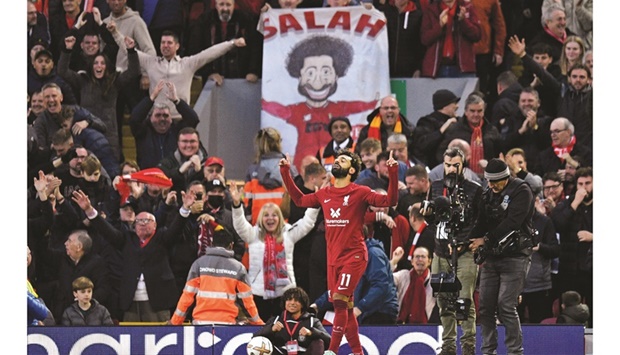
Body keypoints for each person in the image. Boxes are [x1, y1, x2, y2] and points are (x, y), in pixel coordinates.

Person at [279, 150, 399, 355]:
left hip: (354, 255)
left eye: (342, 160)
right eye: (336, 159)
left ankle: (332, 351)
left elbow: (390, 200)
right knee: (346, 307)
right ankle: (358, 352)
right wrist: (285, 171)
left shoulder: (360, 192)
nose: (337, 161)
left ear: (351, 170)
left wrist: (393, 171)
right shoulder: (325, 193)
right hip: (332, 258)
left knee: (340, 302)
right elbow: (299, 200)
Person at [71, 188, 195, 322]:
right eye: (139, 221)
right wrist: (89, 210)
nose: (142, 223)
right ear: (134, 226)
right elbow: (107, 230)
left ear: (155, 225)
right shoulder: (126, 239)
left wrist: (185, 209)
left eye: (147, 221)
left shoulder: (162, 238)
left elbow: (176, 228)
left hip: (158, 302)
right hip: (130, 302)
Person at [261, 35, 378, 168]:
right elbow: (278, 110)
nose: (318, 81)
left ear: (337, 76)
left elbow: (360, 106)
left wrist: (375, 102)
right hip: (303, 170)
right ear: (299, 76)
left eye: (326, 72)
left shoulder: (339, 108)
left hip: (330, 168)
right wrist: (264, 102)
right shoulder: (297, 110)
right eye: (310, 73)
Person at [469, 159, 535, 355]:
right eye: (488, 181)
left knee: (506, 305)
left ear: (506, 178)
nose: (491, 186)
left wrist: (485, 239)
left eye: (495, 182)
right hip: (491, 257)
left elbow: (513, 223)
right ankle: (488, 351)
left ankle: (515, 352)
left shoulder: (522, 191)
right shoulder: (488, 193)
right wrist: (468, 239)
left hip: (515, 256)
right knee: (486, 308)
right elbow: (480, 221)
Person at [422, 147, 481, 355]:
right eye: (448, 165)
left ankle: (468, 348)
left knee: (464, 301)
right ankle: (447, 347)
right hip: (440, 252)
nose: (451, 169)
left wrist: (463, 243)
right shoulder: (436, 186)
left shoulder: (475, 189)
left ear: (463, 165)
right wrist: (427, 215)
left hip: (464, 252)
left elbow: (479, 222)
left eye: (455, 165)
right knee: (444, 302)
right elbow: (431, 221)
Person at [231, 183, 319, 322]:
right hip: (258, 294)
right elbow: (240, 224)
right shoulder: (253, 235)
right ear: (261, 218)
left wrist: (315, 202)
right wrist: (237, 205)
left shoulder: (289, 234)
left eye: (274, 215)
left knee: (284, 331)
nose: (270, 218)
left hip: (285, 294)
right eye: (266, 215)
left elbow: (307, 222)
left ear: (280, 218)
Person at [58, 34, 140, 160]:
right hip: (87, 133)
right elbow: (63, 71)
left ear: (106, 66)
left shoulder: (114, 82)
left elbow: (134, 72)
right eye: (96, 63)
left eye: (102, 63)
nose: (99, 66)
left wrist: (131, 51)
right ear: (92, 67)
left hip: (109, 134)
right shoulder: (82, 81)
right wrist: (67, 50)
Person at [136, 30, 246, 118]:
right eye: (163, 42)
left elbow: (209, 53)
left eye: (169, 43)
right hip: (157, 119)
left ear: (177, 46)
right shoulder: (151, 63)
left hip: (180, 118)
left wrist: (232, 43)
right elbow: (130, 51)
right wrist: (117, 35)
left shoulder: (187, 64)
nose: (165, 45)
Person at [169, 227, 264, 326]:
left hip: (200, 325)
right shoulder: (238, 268)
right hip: (227, 326)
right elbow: (247, 302)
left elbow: (187, 297)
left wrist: (174, 322)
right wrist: (258, 324)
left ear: (212, 244)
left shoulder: (198, 264)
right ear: (231, 245)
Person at [550, 167, 593, 327]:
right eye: (580, 183)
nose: (584, 187)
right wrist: (575, 203)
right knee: (568, 311)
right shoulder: (569, 203)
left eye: (588, 183)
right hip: (569, 267)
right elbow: (558, 224)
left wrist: (593, 237)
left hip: (590, 267)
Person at [186, 0, 262, 86]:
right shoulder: (204, 21)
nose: (225, 8)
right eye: (221, 4)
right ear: (216, 5)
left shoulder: (246, 20)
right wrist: (209, 73)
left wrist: (253, 71)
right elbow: (195, 50)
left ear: (234, 5)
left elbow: (255, 48)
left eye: (228, 5)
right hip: (213, 82)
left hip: (243, 78)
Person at [129, 80, 200, 169]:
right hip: (148, 178)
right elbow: (134, 119)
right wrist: (151, 98)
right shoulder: (143, 132)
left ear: (171, 118)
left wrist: (176, 101)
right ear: (150, 118)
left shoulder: (177, 131)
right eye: (158, 115)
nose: (162, 119)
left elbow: (193, 119)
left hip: (174, 177)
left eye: (166, 116)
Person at [518, 189, 559, 323]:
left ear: (535, 201)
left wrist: (539, 247)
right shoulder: (510, 221)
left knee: (540, 327)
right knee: (513, 326)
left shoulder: (545, 222)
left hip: (539, 285)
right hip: (514, 284)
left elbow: (555, 250)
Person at [438, 94, 502, 178]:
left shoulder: (492, 130)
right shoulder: (454, 129)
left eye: (479, 111)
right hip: (461, 177)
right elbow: (441, 154)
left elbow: (499, 155)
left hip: (488, 178)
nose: (476, 114)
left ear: (484, 111)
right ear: (465, 111)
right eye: (472, 111)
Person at [254, 287, 331, 355]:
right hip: (280, 352)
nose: (292, 303)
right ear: (284, 303)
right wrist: (271, 329)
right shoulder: (276, 320)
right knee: (260, 344)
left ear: (303, 304)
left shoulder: (312, 321)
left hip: (303, 352)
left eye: (297, 300)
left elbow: (329, 341)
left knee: (318, 342)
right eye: (289, 300)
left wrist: (312, 332)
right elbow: (255, 338)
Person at [244, 127, 294, 224]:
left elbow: (247, 204)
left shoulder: (252, 171)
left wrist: (250, 227)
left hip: (258, 227)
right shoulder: (290, 170)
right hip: (283, 227)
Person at [419, 0, 481, 78]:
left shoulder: (468, 7)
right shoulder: (431, 10)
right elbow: (425, 39)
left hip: (463, 69)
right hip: (437, 69)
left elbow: (477, 35)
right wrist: (440, 26)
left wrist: (464, 21)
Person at [411, 89, 460, 168]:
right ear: (445, 106)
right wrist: (442, 130)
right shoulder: (426, 122)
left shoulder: (458, 121)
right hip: (433, 168)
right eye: (454, 103)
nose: (457, 106)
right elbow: (422, 145)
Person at [375, 0, 424, 78]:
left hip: (409, 72)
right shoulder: (382, 13)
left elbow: (420, 45)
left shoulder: (418, 15)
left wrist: (418, 68)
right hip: (384, 71)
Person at [391, 246, 439, 324]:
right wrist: (394, 262)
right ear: (412, 261)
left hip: (427, 326)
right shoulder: (403, 275)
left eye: (423, 257)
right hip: (401, 324)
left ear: (429, 261)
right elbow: (384, 278)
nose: (420, 259)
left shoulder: (434, 280)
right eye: (417, 256)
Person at [158, 127, 208, 195]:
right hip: (174, 204)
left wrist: (200, 172)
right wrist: (179, 172)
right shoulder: (166, 163)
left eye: (192, 141)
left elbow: (213, 189)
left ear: (198, 143)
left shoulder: (207, 164)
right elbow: (159, 184)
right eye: (184, 141)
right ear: (178, 143)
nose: (188, 145)